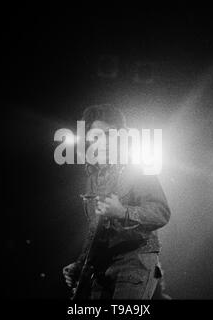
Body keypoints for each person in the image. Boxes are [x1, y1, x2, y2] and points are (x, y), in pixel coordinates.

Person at [63, 104, 171, 299]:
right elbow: (95, 229)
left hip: (135, 261)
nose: (103, 141)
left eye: (109, 134)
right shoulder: (93, 178)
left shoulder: (136, 168)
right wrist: (80, 264)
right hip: (101, 268)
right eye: (96, 135)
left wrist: (123, 211)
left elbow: (161, 211)